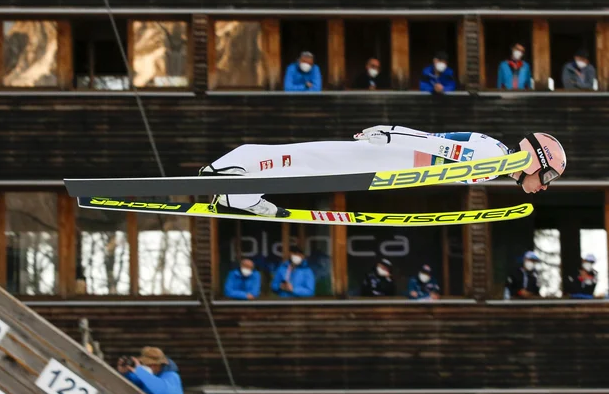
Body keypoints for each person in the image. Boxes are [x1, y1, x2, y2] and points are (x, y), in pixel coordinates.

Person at [198, 125, 567, 217]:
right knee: (307, 159)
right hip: (384, 159)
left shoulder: (495, 165)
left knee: (308, 169)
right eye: (547, 177)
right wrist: (391, 133)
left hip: (386, 169)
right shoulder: (491, 155)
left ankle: (239, 194)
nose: (544, 186)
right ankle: (231, 168)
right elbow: (436, 144)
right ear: (536, 159)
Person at [118, 347, 190, 394]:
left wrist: (140, 371)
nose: (146, 366)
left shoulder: (172, 377)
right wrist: (126, 373)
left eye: (149, 364)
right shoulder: (151, 375)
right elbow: (139, 381)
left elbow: (160, 390)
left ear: (158, 364)